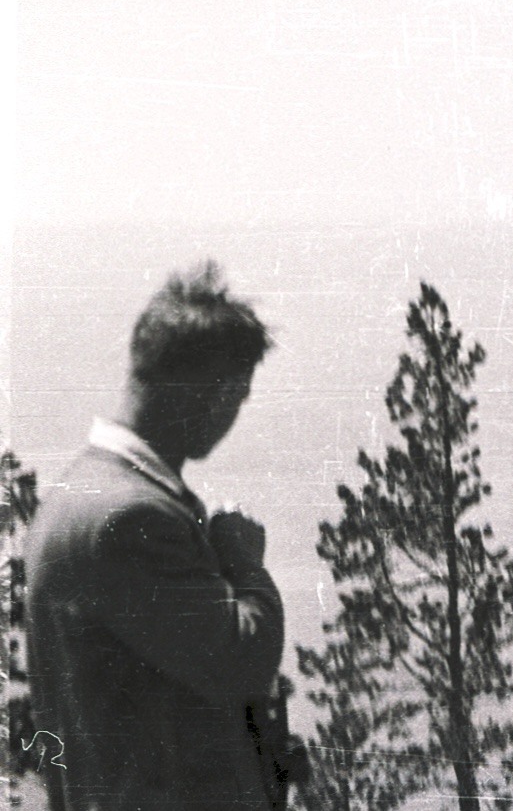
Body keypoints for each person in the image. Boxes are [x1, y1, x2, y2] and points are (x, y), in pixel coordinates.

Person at [24, 262, 285, 810]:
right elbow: (242, 661)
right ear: (201, 394)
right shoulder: (132, 520)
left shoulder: (72, 498)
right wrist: (245, 563)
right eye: (236, 394)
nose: (234, 411)